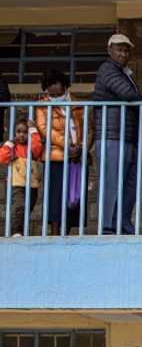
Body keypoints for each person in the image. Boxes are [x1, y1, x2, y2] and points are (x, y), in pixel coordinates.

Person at [92, 34, 142, 235]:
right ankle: (108, 226)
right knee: (112, 182)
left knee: (130, 184)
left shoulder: (125, 73)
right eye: (119, 49)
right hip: (111, 135)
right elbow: (127, 94)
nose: (123, 54)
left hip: (128, 135)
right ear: (110, 50)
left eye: (126, 50)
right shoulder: (108, 69)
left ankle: (122, 223)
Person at [35, 70, 87, 235]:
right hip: (56, 156)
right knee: (55, 196)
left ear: (64, 84)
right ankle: (55, 232)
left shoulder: (78, 104)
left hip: (77, 156)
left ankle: (67, 231)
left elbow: (88, 128)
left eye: (55, 83)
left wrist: (81, 146)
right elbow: (45, 130)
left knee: (74, 194)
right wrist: (68, 145)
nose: (52, 88)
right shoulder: (42, 105)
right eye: (48, 85)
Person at [0, 117, 43, 235]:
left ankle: (22, 230)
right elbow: (2, 157)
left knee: (28, 208)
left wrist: (33, 130)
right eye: (18, 132)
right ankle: (16, 231)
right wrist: (9, 144)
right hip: (17, 184)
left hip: (32, 184)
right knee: (19, 206)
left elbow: (37, 149)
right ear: (15, 133)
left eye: (25, 132)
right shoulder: (14, 147)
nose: (22, 135)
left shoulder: (31, 147)